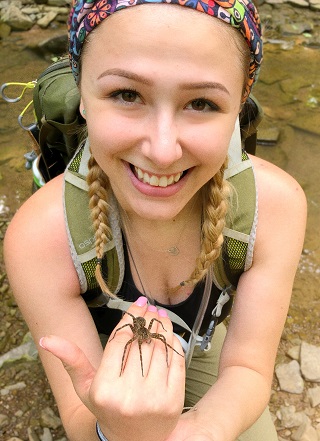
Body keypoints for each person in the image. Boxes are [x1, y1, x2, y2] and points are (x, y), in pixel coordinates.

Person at [4, 0, 307, 440]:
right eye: (126, 94)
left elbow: (247, 367)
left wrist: (201, 430)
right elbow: (80, 418)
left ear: (239, 104)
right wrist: (119, 432)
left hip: (194, 348)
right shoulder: (40, 235)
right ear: (82, 94)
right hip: (97, 359)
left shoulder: (274, 207)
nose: (162, 151)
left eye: (201, 102)